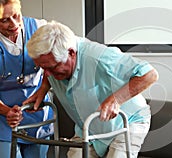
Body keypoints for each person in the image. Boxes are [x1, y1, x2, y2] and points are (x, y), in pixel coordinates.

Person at [24, 20, 159, 158]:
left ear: (71, 53)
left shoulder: (99, 57)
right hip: (89, 127)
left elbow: (149, 74)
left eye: (52, 68)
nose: (47, 74)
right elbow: (48, 71)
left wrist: (116, 100)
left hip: (127, 121)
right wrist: (43, 88)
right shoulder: (54, 61)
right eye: (43, 68)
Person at [0, 0, 54, 158]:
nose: (14, 24)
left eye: (16, 15)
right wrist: (7, 112)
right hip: (3, 118)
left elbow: (56, 61)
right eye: (4, 20)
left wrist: (44, 88)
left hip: (36, 111)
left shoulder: (40, 28)